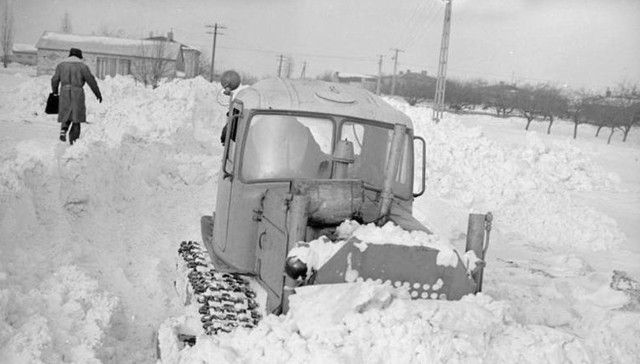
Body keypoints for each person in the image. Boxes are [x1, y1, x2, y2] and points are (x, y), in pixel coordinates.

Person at [51, 48, 102, 145]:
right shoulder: (82, 67)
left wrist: (55, 92)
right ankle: (73, 142)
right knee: (76, 118)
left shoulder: (61, 66)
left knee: (66, 114)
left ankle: (63, 130)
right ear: (79, 56)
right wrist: (97, 93)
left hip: (64, 92)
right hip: (77, 93)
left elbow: (54, 80)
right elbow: (91, 81)